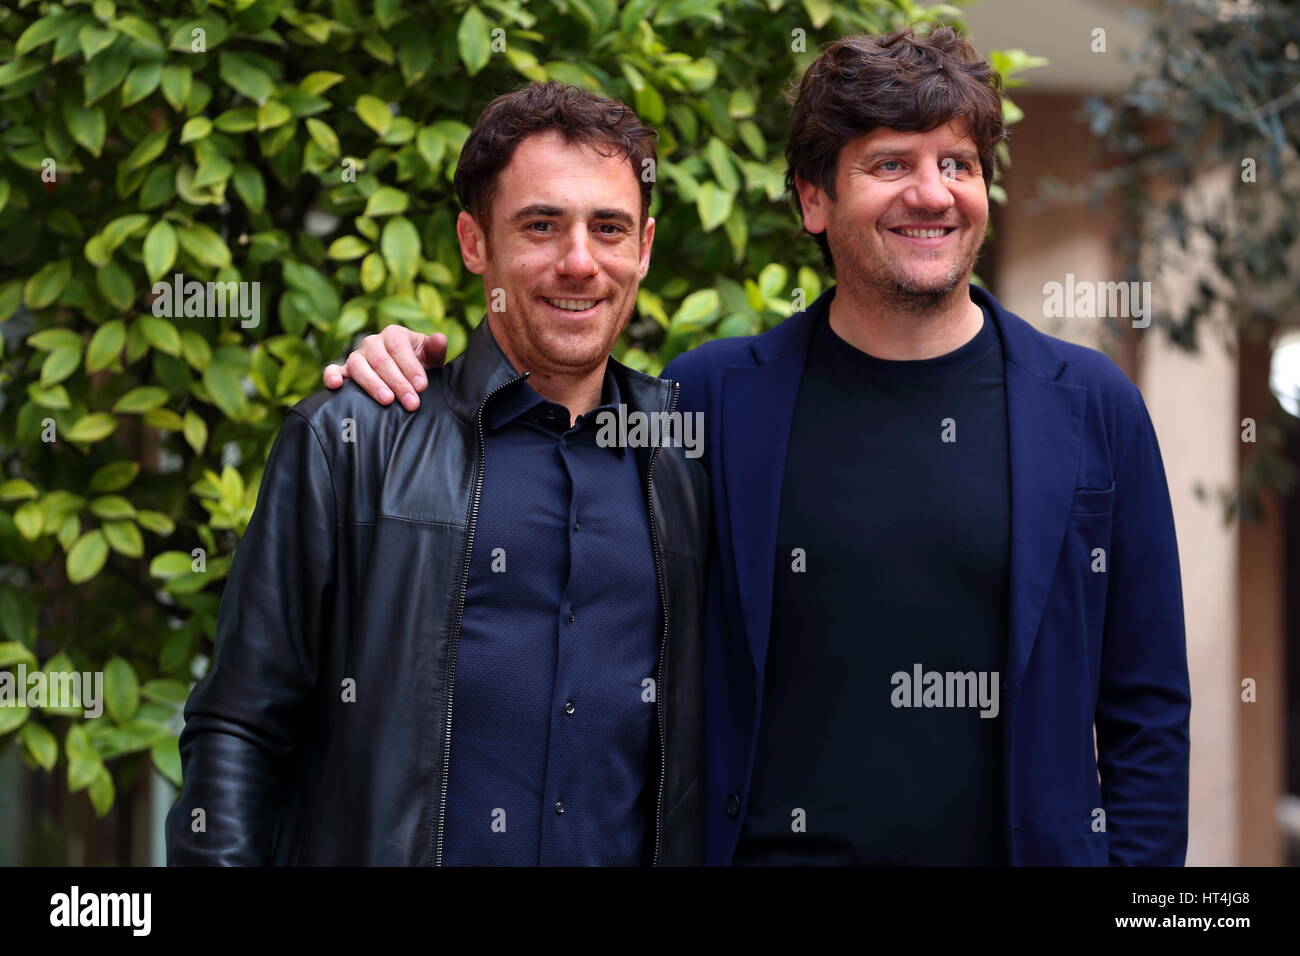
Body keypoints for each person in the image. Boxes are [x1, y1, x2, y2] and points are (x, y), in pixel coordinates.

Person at [324, 29, 1191, 866]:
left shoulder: (1090, 406)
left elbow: (1146, 707)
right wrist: (417, 379)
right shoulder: (708, 399)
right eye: (891, 164)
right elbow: (561, 506)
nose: (933, 193)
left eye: (957, 164)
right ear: (814, 199)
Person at [167, 83, 710, 866]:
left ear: (645, 247)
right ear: (474, 242)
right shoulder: (353, 441)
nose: (580, 261)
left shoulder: (692, 456)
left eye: (610, 228)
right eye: (541, 225)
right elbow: (240, 727)